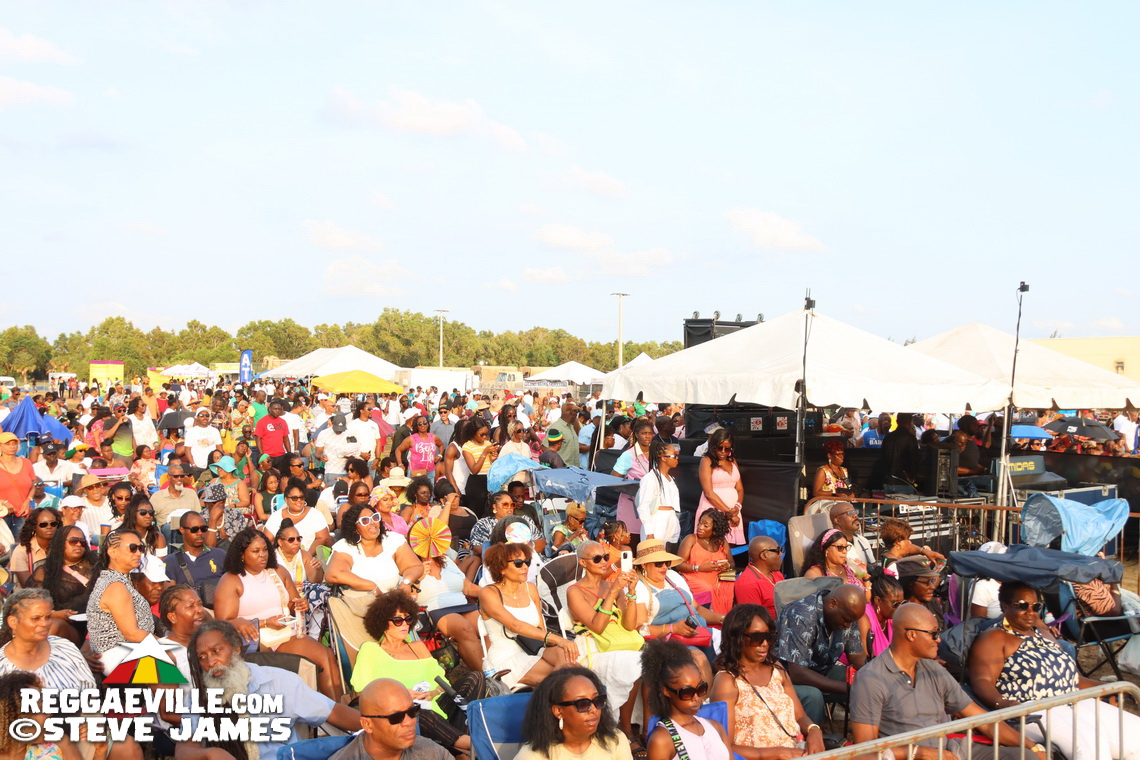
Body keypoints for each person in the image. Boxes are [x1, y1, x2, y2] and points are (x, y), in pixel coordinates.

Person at [968, 581, 1140, 760]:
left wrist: (1112, 688)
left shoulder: (1044, 634)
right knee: (1092, 747)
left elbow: (1073, 679)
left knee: (1135, 734)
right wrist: (1002, 703)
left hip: (1072, 700)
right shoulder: (994, 637)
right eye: (1023, 606)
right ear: (1004, 606)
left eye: (1036, 607)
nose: (1030, 612)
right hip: (1032, 708)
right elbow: (982, 681)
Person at [852, 603, 1047, 760]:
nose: (939, 640)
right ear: (911, 635)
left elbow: (984, 721)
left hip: (950, 751)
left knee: (1025, 756)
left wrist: (1032, 745)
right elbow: (865, 753)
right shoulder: (871, 679)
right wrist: (917, 752)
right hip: (911, 756)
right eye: (934, 633)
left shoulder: (933, 669)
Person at [176, 619, 360, 760]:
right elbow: (183, 749)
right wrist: (209, 754)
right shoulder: (200, 698)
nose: (211, 662)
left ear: (236, 649)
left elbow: (332, 712)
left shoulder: (280, 681)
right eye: (202, 657)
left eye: (217, 651)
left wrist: (375, 724)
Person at [212, 527, 343, 699]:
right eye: (256, 551)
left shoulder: (278, 572)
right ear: (242, 555)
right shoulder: (231, 580)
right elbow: (223, 623)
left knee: (324, 654)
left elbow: (292, 604)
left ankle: (338, 710)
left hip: (285, 632)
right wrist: (264, 623)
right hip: (254, 638)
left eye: (265, 549)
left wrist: (300, 605)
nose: (263, 555)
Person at [351, 590, 473, 757]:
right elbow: (363, 693)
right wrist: (401, 696)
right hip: (411, 716)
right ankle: (467, 745)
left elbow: (443, 682)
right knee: (414, 709)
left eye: (408, 619)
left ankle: (457, 747)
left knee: (476, 678)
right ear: (381, 622)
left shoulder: (418, 647)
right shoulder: (370, 651)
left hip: (438, 705)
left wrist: (432, 693)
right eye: (398, 620)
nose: (405, 625)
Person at [711, 604, 825, 759]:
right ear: (737, 638)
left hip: (796, 752)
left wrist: (814, 730)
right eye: (756, 638)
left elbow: (800, 716)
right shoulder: (727, 681)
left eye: (769, 637)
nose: (764, 643)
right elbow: (725, 746)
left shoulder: (776, 669)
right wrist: (779, 753)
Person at [566, 541, 643, 738]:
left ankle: (647, 729)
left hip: (619, 641)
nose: (603, 562)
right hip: (593, 645)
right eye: (597, 559)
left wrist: (631, 593)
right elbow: (597, 626)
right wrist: (612, 592)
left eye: (606, 557)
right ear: (583, 563)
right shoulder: (575, 591)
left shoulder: (612, 585)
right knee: (634, 663)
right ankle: (626, 729)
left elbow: (629, 625)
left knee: (653, 661)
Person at [478, 542, 578, 689]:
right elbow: (514, 625)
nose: (525, 567)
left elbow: (541, 629)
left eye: (527, 562)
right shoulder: (488, 593)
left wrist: (556, 645)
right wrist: (559, 639)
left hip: (535, 647)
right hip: (507, 655)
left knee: (569, 661)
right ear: (501, 568)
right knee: (563, 677)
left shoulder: (530, 589)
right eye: (518, 563)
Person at [774, 583, 866, 725]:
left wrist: (876, 670)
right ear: (833, 604)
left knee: (865, 681)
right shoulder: (801, 614)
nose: (848, 625)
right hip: (786, 676)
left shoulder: (848, 613)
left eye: (852, 621)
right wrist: (847, 688)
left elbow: (856, 656)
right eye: (846, 620)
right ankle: (815, 741)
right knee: (813, 696)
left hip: (822, 669)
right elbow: (798, 674)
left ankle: (869, 740)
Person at [631, 539, 718, 682]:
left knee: (732, 649)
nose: (665, 567)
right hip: (668, 640)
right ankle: (705, 702)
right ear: (644, 565)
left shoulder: (673, 577)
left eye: (667, 562)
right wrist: (673, 628)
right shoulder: (638, 587)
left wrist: (722, 618)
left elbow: (694, 607)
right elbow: (640, 628)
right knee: (699, 659)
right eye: (659, 564)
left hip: (700, 632)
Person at [409, 518, 484, 670]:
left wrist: (493, 592)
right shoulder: (409, 565)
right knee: (465, 628)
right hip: (434, 610)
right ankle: (486, 676)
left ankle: (499, 671)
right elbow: (407, 598)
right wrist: (418, 577)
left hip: (462, 605)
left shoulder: (445, 560)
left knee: (488, 624)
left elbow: (467, 587)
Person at [325, 503, 424, 616]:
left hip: (392, 607)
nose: (372, 523)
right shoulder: (346, 546)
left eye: (375, 517)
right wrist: (372, 587)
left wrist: (406, 582)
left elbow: (414, 566)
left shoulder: (392, 539)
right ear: (355, 527)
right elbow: (333, 574)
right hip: (358, 609)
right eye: (365, 521)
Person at [515, 666, 633, 760]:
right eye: (583, 704)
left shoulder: (616, 740)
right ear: (558, 711)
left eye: (598, 700)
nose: (594, 709)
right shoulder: (533, 756)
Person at [643, 638, 732, 760]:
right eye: (687, 692)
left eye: (701, 688)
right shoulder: (662, 740)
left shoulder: (716, 727)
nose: (697, 698)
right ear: (666, 691)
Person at [328, 678, 450, 760]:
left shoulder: (431, 752)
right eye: (396, 717)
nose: (409, 721)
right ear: (367, 725)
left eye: (412, 711)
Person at [85, 529, 153, 670]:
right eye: (132, 548)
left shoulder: (118, 580)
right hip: (120, 655)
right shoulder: (115, 586)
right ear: (113, 552)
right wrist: (167, 646)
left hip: (127, 652)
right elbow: (132, 633)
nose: (139, 553)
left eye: (141, 548)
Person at [676, 510, 735, 614]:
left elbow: (732, 564)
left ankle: (726, 619)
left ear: (715, 529)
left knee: (732, 586)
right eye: (700, 523)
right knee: (706, 588)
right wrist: (700, 568)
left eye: (706, 525)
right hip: (692, 578)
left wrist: (726, 565)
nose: (700, 527)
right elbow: (678, 565)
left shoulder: (722, 542)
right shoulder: (691, 539)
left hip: (717, 579)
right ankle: (711, 618)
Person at [697, 428, 744, 544]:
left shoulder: (733, 461)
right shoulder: (706, 461)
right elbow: (708, 493)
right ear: (713, 446)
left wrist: (737, 508)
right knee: (712, 546)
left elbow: (740, 488)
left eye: (727, 449)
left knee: (731, 549)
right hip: (713, 510)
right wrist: (729, 513)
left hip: (733, 512)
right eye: (720, 448)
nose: (723, 451)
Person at [163, 510, 227, 593]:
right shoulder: (170, 562)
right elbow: (170, 597)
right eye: (194, 529)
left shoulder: (220, 555)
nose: (200, 533)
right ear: (182, 530)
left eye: (203, 529)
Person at [262, 477, 331, 551]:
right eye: (294, 498)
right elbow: (267, 540)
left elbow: (323, 538)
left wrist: (306, 557)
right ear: (286, 499)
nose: (298, 500)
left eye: (301, 497)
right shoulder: (276, 516)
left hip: (311, 558)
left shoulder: (315, 514)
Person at [611, 418, 654, 537]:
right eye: (644, 433)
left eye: (650, 433)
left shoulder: (656, 454)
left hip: (652, 505)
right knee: (632, 538)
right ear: (636, 434)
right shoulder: (628, 455)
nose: (647, 436)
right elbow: (614, 479)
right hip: (631, 504)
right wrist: (633, 487)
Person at [636, 440, 681, 552]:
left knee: (669, 557)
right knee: (654, 557)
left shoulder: (671, 479)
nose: (677, 458)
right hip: (657, 521)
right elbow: (643, 506)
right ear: (663, 458)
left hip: (671, 520)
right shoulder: (650, 478)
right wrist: (649, 532)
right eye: (674, 455)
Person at [856, 569, 904, 658]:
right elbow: (865, 661)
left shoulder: (892, 618)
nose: (899, 607)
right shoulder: (864, 618)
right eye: (895, 604)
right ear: (878, 601)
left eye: (902, 603)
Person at [734, 536, 785, 619]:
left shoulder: (776, 573)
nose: (780, 554)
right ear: (764, 555)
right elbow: (753, 620)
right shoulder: (747, 584)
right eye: (777, 551)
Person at [9, 505, 59, 586]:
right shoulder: (21, 551)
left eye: (53, 524)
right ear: (34, 527)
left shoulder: (63, 547)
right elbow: (28, 585)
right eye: (43, 525)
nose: (49, 527)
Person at [895, 556, 946, 631]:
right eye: (926, 582)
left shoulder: (933, 603)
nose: (932, 587)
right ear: (910, 584)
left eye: (932, 581)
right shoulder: (900, 611)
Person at [0, 431, 33, 539]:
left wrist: (28, 501)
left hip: (22, 513)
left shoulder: (26, 462)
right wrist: (3, 502)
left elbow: (33, 484)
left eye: (14, 443)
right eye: (7, 444)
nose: (12, 446)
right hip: (2, 514)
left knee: (21, 547)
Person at [461, 417, 497, 516]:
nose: (484, 437)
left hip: (489, 481)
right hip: (476, 484)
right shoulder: (467, 447)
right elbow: (474, 470)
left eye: (486, 434)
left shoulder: (488, 443)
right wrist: (485, 452)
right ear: (474, 433)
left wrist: (494, 459)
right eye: (482, 434)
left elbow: (490, 465)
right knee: (477, 514)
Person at [151, 461, 202, 530]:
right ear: (169, 477)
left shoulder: (191, 493)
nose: (179, 479)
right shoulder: (157, 496)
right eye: (176, 476)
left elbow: (198, 514)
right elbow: (150, 516)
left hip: (189, 528)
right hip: (168, 529)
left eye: (182, 476)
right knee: (168, 527)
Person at [876, 518, 944, 570]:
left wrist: (925, 551)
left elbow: (910, 548)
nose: (910, 542)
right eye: (907, 539)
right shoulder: (895, 567)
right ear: (898, 543)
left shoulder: (887, 554)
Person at [121, 492, 167, 556]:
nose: (148, 516)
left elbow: (160, 564)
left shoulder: (158, 538)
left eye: (151, 512)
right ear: (132, 513)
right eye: (143, 512)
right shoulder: (119, 536)